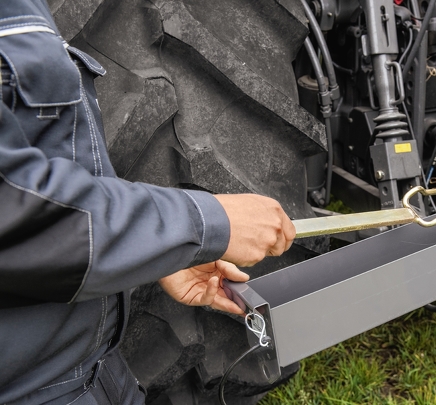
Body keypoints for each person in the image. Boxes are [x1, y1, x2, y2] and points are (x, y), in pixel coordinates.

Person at [0, 0, 296, 403]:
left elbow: (45, 165)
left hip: (88, 374)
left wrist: (159, 249)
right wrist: (205, 223)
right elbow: (15, 212)